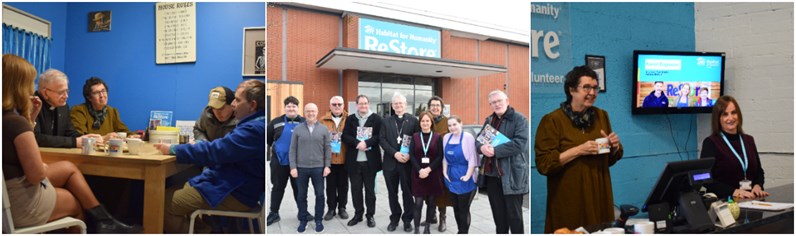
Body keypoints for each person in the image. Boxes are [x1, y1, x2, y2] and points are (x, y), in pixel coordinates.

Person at [2, 54, 140, 233]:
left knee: (69, 168)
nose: (32, 88)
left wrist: (31, 117)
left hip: (7, 196)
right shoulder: (16, 122)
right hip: (16, 203)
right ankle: (105, 223)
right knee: (75, 200)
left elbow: (67, 133)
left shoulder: (14, 118)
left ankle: (106, 222)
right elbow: (36, 173)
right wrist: (43, 165)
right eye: (31, 82)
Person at [154, 79, 265, 233]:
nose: (234, 105)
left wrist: (174, 149)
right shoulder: (254, 124)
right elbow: (211, 143)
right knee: (178, 191)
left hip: (237, 191)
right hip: (234, 183)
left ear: (252, 105)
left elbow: (216, 151)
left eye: (238, 101)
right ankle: (206, 231)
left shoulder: (253, 130)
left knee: (161, 202)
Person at [535, 66, 623, 233]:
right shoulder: (552, 120)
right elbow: (544, 164)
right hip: (570, 199)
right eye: (586, 87)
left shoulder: (601, 115)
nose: (592, 92)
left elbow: (610, 159)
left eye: (595, 87)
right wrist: (578, 150)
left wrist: (615, 146)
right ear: (572, 90)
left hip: (599, 194)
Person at [476, 89, 529, 234]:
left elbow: (521, 144)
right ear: (490, 105)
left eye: (499, 101)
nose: (496, 104)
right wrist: (482, 148)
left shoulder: (520, 119)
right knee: (499, 218)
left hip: (512, 176)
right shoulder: (489, 120)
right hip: (493, 176)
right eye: (493, 102)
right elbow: (478, 141)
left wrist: (495, 151)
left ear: (507, 101)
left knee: (515, 218)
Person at [699, 96, 768, 200]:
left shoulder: (749, 140)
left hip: (750, 200)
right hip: (724, 203)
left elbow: (758, 171)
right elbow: (705, 178)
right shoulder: (711, 143)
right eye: (725, 114)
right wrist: (733, 191)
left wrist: (758, 185)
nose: (730, 118)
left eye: (734, 113)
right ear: (718, 118)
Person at [266, 96, 310, 225]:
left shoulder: (304, 122)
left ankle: (303, 212)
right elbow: (269, 140)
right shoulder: (275, 122)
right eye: (289, 106)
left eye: (294, 106)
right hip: (279, 162)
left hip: (298, 162)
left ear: (298, 108)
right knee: (278, 187)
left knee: (299, 188)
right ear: (285, 108)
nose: (291, 108)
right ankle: (274, 213)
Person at [289, 103, 331, 233]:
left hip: (318, 168)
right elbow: (292, 149)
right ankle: (303, 220)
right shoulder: (298, 129)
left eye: (313, 111)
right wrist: (293, 167)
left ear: (317, 112)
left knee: (320, 195)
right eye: (308, 111)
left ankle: (319, 220)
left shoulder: (324, 129)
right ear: (304, 112)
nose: (310, 114)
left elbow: (327, 149)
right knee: (301, 195)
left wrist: (327, 165)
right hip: (301, 168)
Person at [33, 69, 102, 148]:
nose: (66, 96)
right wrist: (74, 142)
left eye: (67, 91)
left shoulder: (63, 106)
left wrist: (86, 138)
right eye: (61, 92)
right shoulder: (34, 104)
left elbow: (69, 132)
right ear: (45, 93)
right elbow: (36, 138)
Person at [379, 93, 418, 232]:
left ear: (405, 104)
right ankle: (394, 218)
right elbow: (382, 140)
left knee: (407, 192)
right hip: (390, 163)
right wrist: (395, 153)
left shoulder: (413, 120)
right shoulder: (386, 121)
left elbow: (417, 140)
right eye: (395, 103)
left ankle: (408, 219)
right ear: (392, 105)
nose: (398, 105)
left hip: (407, 163)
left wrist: (409, 154)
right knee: (392, 192)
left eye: (400, 103)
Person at [342, 95, 382, 228]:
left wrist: (367, 143)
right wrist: (357, 143)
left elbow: (379, 136)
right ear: (357, 105)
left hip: (370, 162)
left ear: (368, 104)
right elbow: (345, 136)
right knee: (356, 190)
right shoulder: (351, 119)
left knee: (370, 191)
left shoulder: (376, 119)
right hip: (354, 162)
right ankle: (358, 214)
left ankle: (370, 215)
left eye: (365, 103)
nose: (363, 106)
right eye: (361, 104)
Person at [70, 77, 138, 141]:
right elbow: (79, 138)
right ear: (89, 97)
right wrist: (103, 138)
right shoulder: (79, 110)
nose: (102, 95)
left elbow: (123, 131)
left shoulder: (112, 111)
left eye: (103, 91)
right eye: (96, 93)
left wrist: (131, 136)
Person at [442, 115, 479, 234]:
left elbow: (473, 159)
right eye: (449, 125)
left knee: (463, 209)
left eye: (454, 124)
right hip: (451, 177)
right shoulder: (446, 137)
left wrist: (468, 176)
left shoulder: (468, 137)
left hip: (465, 177)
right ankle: (460, 230)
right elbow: (444, 158)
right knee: (456, 208)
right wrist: (444, 172)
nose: (452, 128)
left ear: (461, 123)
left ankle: (464, 232)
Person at [409, 111, 444, 234]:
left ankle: (427, 226)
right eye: (423, 121)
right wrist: (420, 170)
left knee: (431, 202)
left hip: (433, 174)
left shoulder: (437, 137)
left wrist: (428, 169)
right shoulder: (415, 136)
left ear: (431, 122)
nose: (425, 123)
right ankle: (417, 228)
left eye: (427, 121)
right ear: (420, 123)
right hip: (418, 174)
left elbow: (440, 156)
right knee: (418, 203)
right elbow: (411, 155)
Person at [320, 96, 350, 221]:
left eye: (339, 104)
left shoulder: (350, 119)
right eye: (334, 104)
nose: (337, 106)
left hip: (345, 158)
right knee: (330, 186)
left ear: (343, 105)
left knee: (343, 185)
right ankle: (331, 208)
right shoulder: (322, 120)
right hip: (329, 160)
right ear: (330, 105)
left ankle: (342, 208)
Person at [426, 95, 451, 232]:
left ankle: (442, 217)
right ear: (429, 107)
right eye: (433, 105)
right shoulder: (425, 120)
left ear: (441, 108)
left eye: (438, 105)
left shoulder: (447, 122)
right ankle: (432, 216)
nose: (435, 107)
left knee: (441, 192)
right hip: (426, 163)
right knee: (427, 190)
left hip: (442, 163)